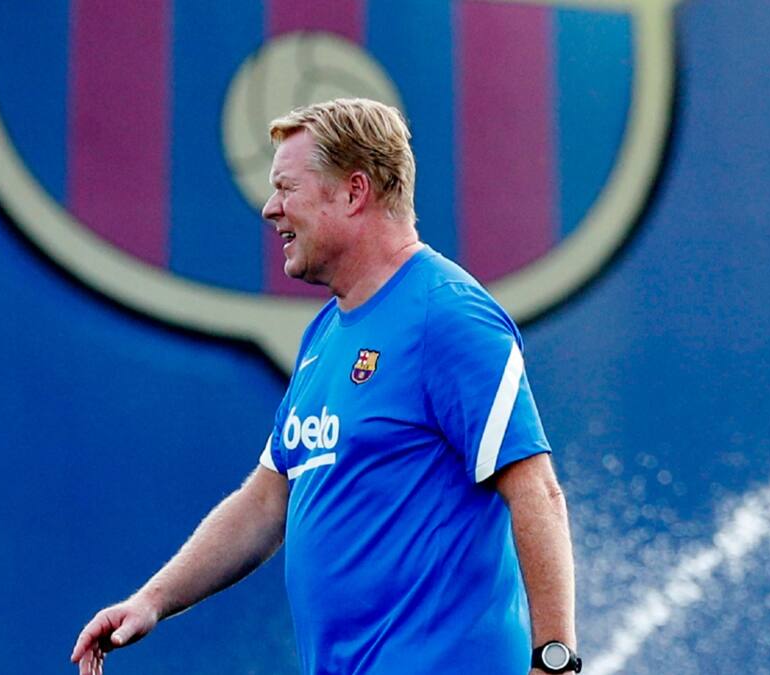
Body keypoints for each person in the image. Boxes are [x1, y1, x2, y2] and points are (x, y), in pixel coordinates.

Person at [70, 98, 578, 674]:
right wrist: (151, 601)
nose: (270, 209)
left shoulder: (448, 314)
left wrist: (554, 661)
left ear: (354, 191)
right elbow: (267, 500)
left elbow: (536, 491)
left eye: (287, 188)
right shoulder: (325, 333)